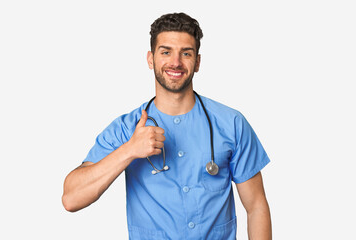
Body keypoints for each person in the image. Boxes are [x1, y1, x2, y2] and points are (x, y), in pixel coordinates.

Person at [62, 12, 272, 240]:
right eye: (166, 52)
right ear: (151, 59)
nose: (175, 62)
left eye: (186, 53)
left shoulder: (231, 123)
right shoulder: (127, 128)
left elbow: (256, 206)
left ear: (198, 62)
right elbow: (71, 198)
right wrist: (129, 150)